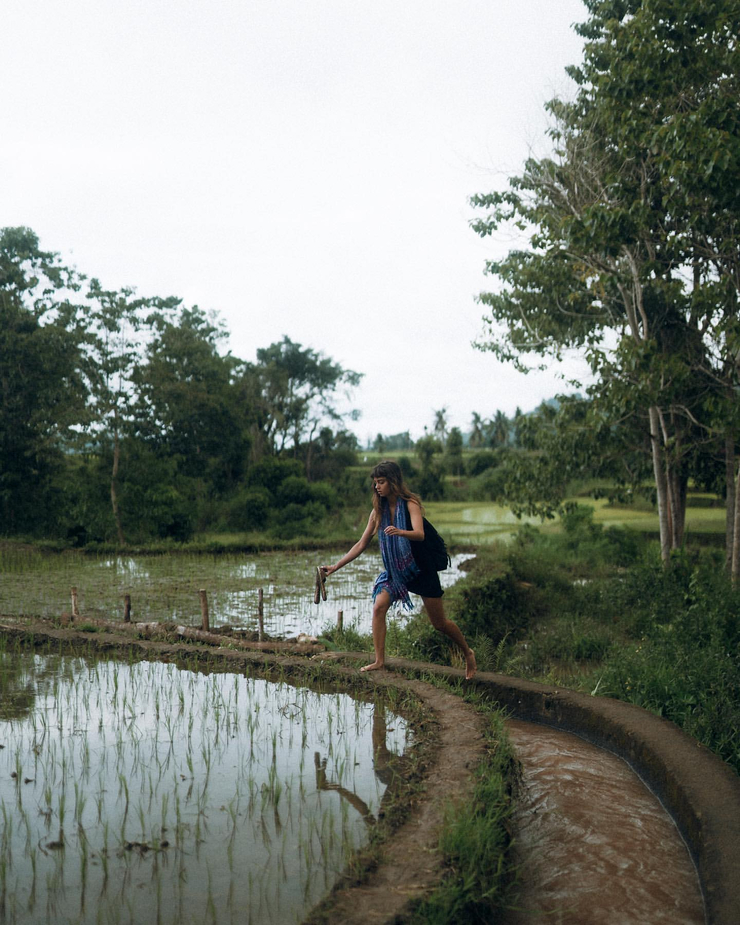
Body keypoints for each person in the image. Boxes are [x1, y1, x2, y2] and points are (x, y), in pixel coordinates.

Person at [322, 460, 477, 679]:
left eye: (381, 482)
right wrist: (335, 566)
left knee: (439, 624)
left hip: (421, 569)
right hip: (396, 573)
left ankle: (467, 652)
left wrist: (400, 532)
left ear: (393, 482)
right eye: (375, 483)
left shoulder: (410, 503)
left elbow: (420, 534)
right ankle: (379, 661)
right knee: (379, 607)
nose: (377, 487)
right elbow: (361, 543)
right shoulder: (377, 512)